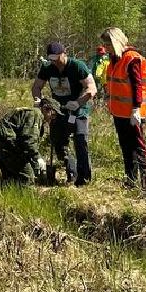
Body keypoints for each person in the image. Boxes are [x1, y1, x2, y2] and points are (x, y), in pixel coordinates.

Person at [31, 42, 97, 186]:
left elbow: (91, 87)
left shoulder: (77, 66)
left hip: (78, 111)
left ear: (64, 53)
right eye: (52, 59)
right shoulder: (47, 68)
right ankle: (71, 173)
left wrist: (78, 102)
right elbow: (37, 86)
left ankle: (84, 178)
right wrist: (39, 100)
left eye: (57, 58)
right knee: (59, 142)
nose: (55, 62)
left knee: (80, 141)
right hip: (58, 111)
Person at [101, 27, 146, 189]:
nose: (105, 47)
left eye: (108, 44)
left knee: (138, 146)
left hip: (132, 113)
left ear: (116, 42)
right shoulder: (114, 60)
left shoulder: (132, 59)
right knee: (126, 147)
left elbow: (138, 86)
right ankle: (130, 180)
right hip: (119, 113)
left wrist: (136, 109)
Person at [0, 96, 62, 184]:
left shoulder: (32, 113)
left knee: (11, 175)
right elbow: (28, 141)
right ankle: (25, 195)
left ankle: (8, 193)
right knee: (26, 176)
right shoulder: (36, 114)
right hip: (6, 142)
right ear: (46, 109)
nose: (52, 118)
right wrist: (37, 158)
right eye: (52, 115)